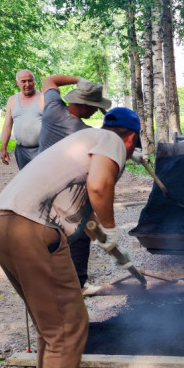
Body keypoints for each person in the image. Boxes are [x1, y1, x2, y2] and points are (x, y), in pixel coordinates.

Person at [0, 107, 141, 368]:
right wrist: (112, 230)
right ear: (131, 139)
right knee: (70, 326)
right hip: (32, 228)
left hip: (0, 225)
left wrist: (112, 247)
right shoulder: (111, 140)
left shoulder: (83, 143)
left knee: (50, 324)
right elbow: (99, 187)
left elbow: (85, 216)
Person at [38, 75, 113, 287]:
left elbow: (50, 80)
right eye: (94, 107)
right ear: (86, 106)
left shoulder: (52, 110)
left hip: (40, 194)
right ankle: (76, 285)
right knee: (78, 238)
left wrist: (78, 79)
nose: (94, 112)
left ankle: (52, 285)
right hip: (67, 199)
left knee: (49, 242)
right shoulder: (86, 134)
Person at [1, 69, 44, 169]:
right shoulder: (12, 100)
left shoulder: (43, 98)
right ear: (17, 82)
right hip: (21, 151)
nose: (27, 84)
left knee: (44, 181)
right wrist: (3, 148)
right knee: (26, 182)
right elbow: (7, 126)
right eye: (23, 81)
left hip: (42, 149)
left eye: (30, 80)